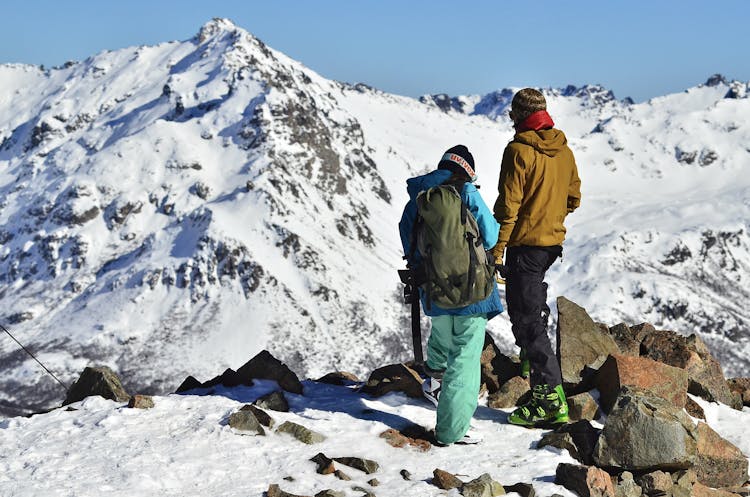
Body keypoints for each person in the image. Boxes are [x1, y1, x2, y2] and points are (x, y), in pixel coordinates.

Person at [398, 145, 504, 445]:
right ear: (467, 170)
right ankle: (451, 430)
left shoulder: (419, 197)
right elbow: (492, 235)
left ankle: (433, 383)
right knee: (465, 360)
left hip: (433, 290)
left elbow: (407, 238)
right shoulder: (467, 192)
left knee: (442, 339)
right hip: (472, 291)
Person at [491, 88, 581, 427]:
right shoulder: (564, 151)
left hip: (524, 245)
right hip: (550, 245)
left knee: (526, 319)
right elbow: (574, 197)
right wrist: (551, 217)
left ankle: (549, 399)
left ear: (518, 116)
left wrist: (498, 248)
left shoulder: (517, 151)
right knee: (529, 305)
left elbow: (508, 208)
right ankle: (532, 365)